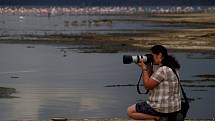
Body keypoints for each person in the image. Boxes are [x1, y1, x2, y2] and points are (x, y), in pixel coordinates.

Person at [127, 45, 181, 121]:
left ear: (159, 55)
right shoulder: (173, 67)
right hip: (174, 108)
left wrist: (144, 69)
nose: (151, 58)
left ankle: (158, 118)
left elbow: (147, 86)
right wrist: (147, 66)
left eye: (152, 55)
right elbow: (151, 79)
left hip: (161, 108)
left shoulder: (162, 69)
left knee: (130, 111)